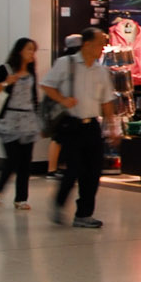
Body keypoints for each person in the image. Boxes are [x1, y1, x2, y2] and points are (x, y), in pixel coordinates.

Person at [42, 27, 117, 228]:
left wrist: (112, 127)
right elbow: (46, 85)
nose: (103, 47)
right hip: (71, 125)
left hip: (92, 125)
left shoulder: (101, 71)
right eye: (100, 42)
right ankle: (58, 204)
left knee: (93, 172)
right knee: (73, 169)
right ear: (86, 44)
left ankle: (84, 214)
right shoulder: (66, 64)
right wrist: (62, 99)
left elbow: (107, 101)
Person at [0, 38, 41, 209]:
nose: (32, 53)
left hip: (28, 120)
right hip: (9, 120)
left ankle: (21, 198)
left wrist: (38, 118)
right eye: (29, 49)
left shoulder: (31, 73)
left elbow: (34, 98)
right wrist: (6, 83)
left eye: (34, 50)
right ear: (19, 51)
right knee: (12, 158)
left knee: (26, 161)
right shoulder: (5, 70)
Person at [46, 32, 81, 178]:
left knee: (60, 138)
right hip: (64, 106)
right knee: (58, 138)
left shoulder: (62, 61)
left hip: (64, 105)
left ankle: (57, 168)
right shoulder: (68, 62)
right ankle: (52, 169)